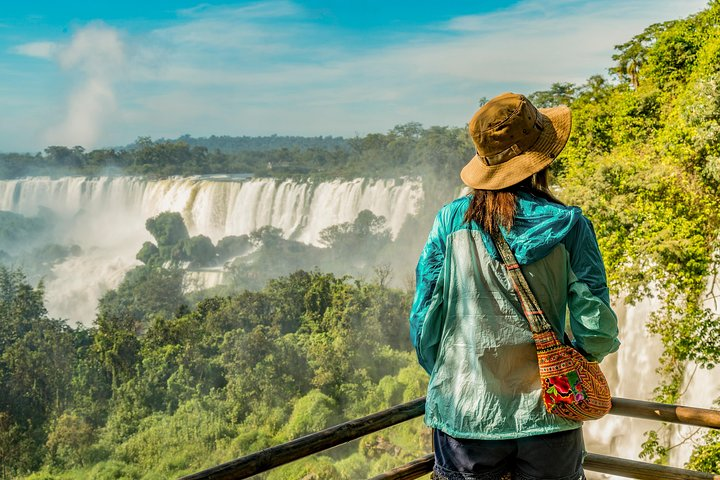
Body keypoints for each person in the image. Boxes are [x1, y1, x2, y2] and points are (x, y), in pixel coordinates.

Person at [409, 92, 620, 480]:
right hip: (551, 413)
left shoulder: (450, 222)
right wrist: (569, 355)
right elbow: (598, 330)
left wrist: (457, 371)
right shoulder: (569, 225)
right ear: (542, 158)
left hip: (466, 416)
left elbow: (425, 322)